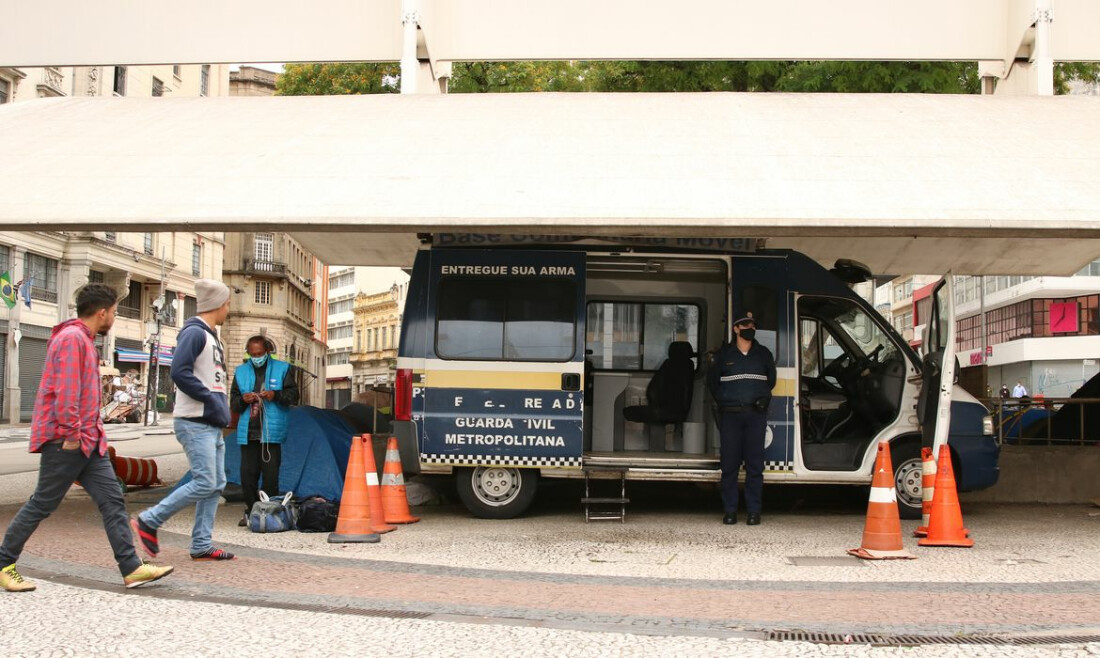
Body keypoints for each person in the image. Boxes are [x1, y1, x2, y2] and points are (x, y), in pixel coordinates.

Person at [1, 284, 173, 592]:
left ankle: (132, 568)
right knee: (42, 503)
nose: (115, 318)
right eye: (116, 312)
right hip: (70, 439)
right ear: (103, 312)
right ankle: (3, 563)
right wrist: (70, 434)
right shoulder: (72, 339)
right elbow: (66, 391)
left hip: (89, 441)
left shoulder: (82, 339)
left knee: (112, 501)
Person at [132, 279, 236, 562]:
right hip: (194, 421)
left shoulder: (212, 336)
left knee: (215, 484)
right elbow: (178, 372)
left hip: (209, 422)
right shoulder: (194, 334)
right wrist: (212, 400)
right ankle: (149, 520)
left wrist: (217, 406)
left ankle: (201, 543)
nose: (228, 308)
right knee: (205, 482)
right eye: (227, 303)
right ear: (217, 304)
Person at [707, 310, 776, 526]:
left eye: (752, 326)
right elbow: (713, 384)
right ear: (736, 329)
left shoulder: (763, 353)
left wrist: (762, 399)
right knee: (729, 466)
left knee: (755, 466)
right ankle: (730, 511)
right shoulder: (724, 355)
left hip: (755, 416)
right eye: (745, 326)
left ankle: (754, 512)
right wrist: (726, 401)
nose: (750, 329)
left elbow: (770, 381)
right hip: (731, 416)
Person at [230, 335, 299, 526]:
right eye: (252, 354)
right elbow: (234, 404)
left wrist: (275, 395)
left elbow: (294, 396)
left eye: (259, 353)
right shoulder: (241, 372)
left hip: (271, 433)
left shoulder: (282, 368)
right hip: (248, 432)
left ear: (267, 352)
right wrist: (243, 400)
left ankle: (269, 513)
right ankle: (252, 512)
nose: (256, 357)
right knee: (247, 476)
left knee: (270, 476)